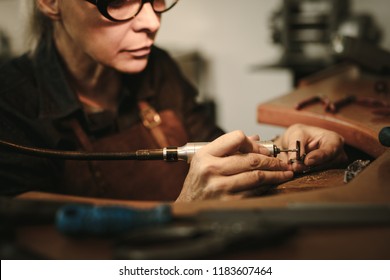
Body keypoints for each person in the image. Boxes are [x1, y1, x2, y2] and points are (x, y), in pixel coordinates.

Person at [0, 0, 346, 202]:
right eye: (120, 0)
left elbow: (218, 153)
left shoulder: (158, 69)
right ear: (49, 2)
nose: (152, 22)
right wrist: (184, 210)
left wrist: (278, 148)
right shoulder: (11, 104)